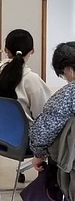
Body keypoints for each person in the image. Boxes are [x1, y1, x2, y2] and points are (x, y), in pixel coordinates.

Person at [0, 29, 51, 120]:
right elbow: (45, 114)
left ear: (6, 50)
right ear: (32, 51)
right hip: (23, 133)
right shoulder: (32, 79)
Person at [30, 42, 75, 173]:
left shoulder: (67, 94)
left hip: (69, 164)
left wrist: (39, 154)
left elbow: (41, 132)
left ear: (69, 69)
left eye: (62, 74)